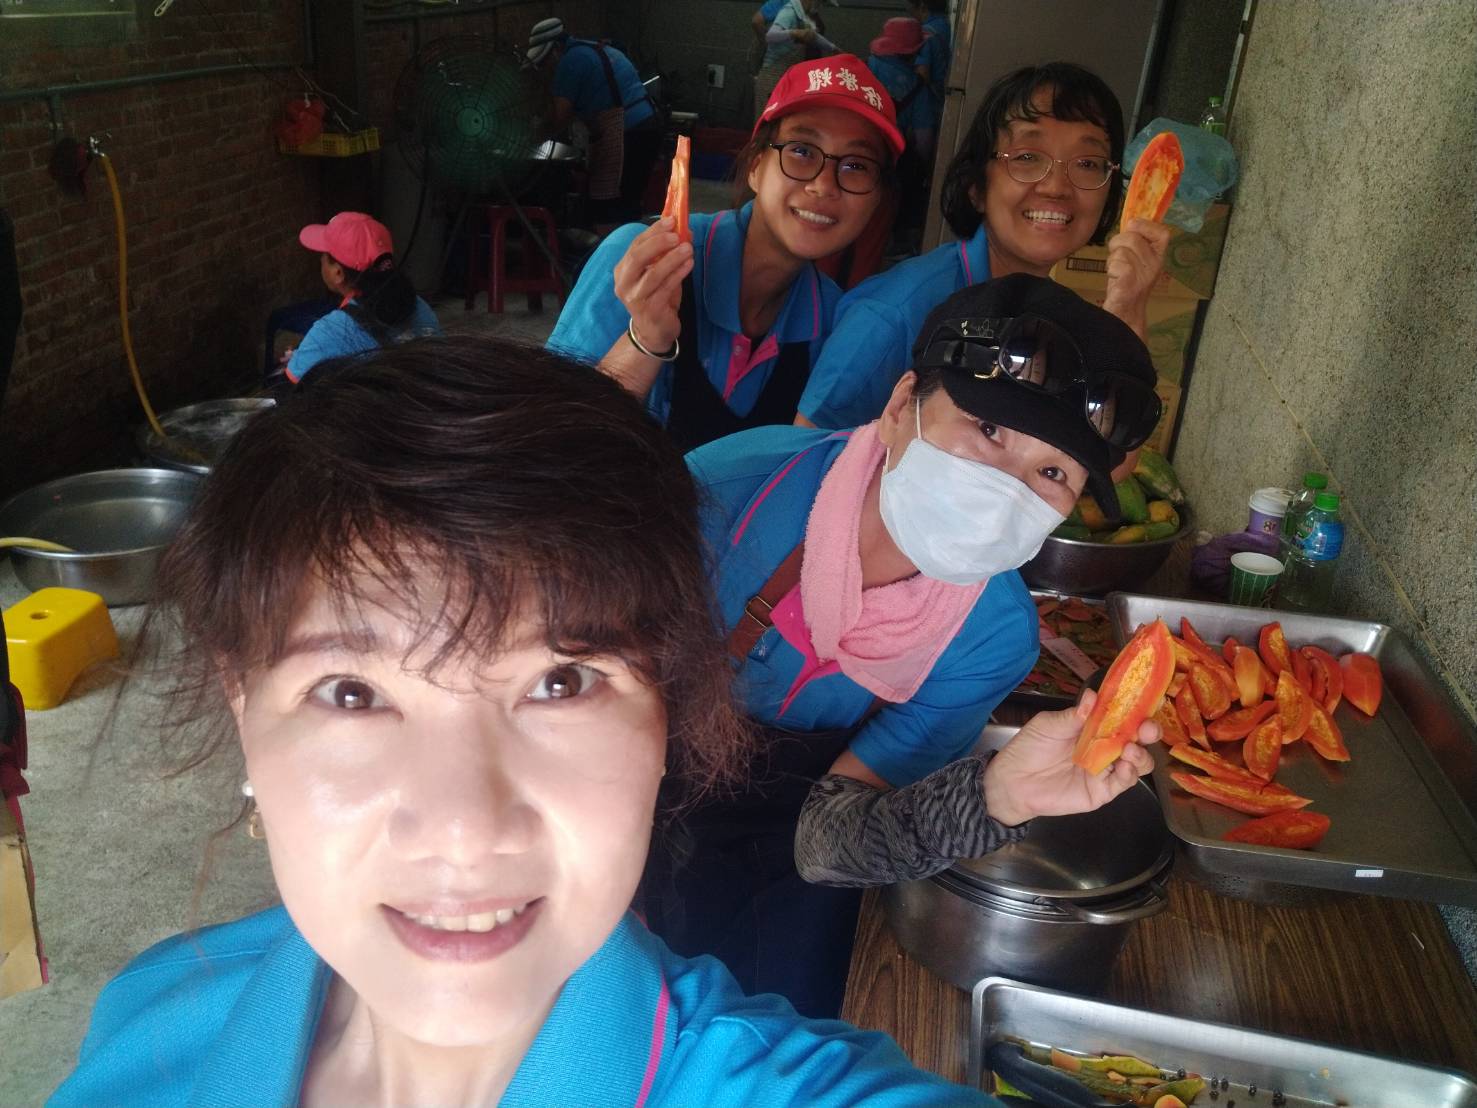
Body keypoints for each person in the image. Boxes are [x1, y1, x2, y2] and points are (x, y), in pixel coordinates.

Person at [48, 335, 1008, 1107]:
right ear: (242, 707)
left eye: (560, 682)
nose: (465, 829)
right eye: (350, 692)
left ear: (668, 711)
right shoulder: (147, 1024)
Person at [641, 274, 1162, 1020]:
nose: (1002, 487)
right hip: (630, 781)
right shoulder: (726, 494)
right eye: (988, 430)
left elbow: (827, 845)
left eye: (1051, 473)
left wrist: (995, 796)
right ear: (898, 409)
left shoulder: (991, 639)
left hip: (786, 843)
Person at [548, 56, 902, 452]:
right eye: (802, 150)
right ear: (755, 166)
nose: (824, 185)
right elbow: (552, 446)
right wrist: (645, 339)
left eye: (856, 165)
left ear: (876, 199)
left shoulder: (834, 320)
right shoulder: (644, 261)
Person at [800, 62, 1170, 434]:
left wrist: (1129, 306)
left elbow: (1106, 452)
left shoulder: (1053, 315)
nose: (1057, 186)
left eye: (1088, 163)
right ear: (976, 187)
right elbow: (803, 455)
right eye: (1027, 157)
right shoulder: (894, 316)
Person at [526, 17, 663, 230]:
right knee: (627, 202)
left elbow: (559, 117)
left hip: (629, 132)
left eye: (544, 61)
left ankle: (613, 248)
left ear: (555, 49)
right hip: (649, 126)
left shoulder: (571, 62)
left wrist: (529, 139)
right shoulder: (592, 48)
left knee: (608, 208)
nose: (546, 68)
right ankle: (628, 244)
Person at [282, 211, 440, 385]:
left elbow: (292, 390)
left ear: (338, 273)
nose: (321, 259)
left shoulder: (329, 332)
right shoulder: (419, 306)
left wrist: (305, 354)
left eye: (324, 255)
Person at [866, 16, 935, 239]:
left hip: (857, 152)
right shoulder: (918, 89)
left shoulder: (865, 68)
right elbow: (924, 141)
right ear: (913, 51)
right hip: (890, 163)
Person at [753, 0, 837, 121]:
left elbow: (813, 36)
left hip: (795, 74)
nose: (819, 6)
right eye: (819, 2)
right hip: (777, 70)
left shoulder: (804, 15)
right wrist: (793, 34)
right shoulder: (789, 9)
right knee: (768, 119)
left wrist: (834, 49)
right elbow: (762, 26)